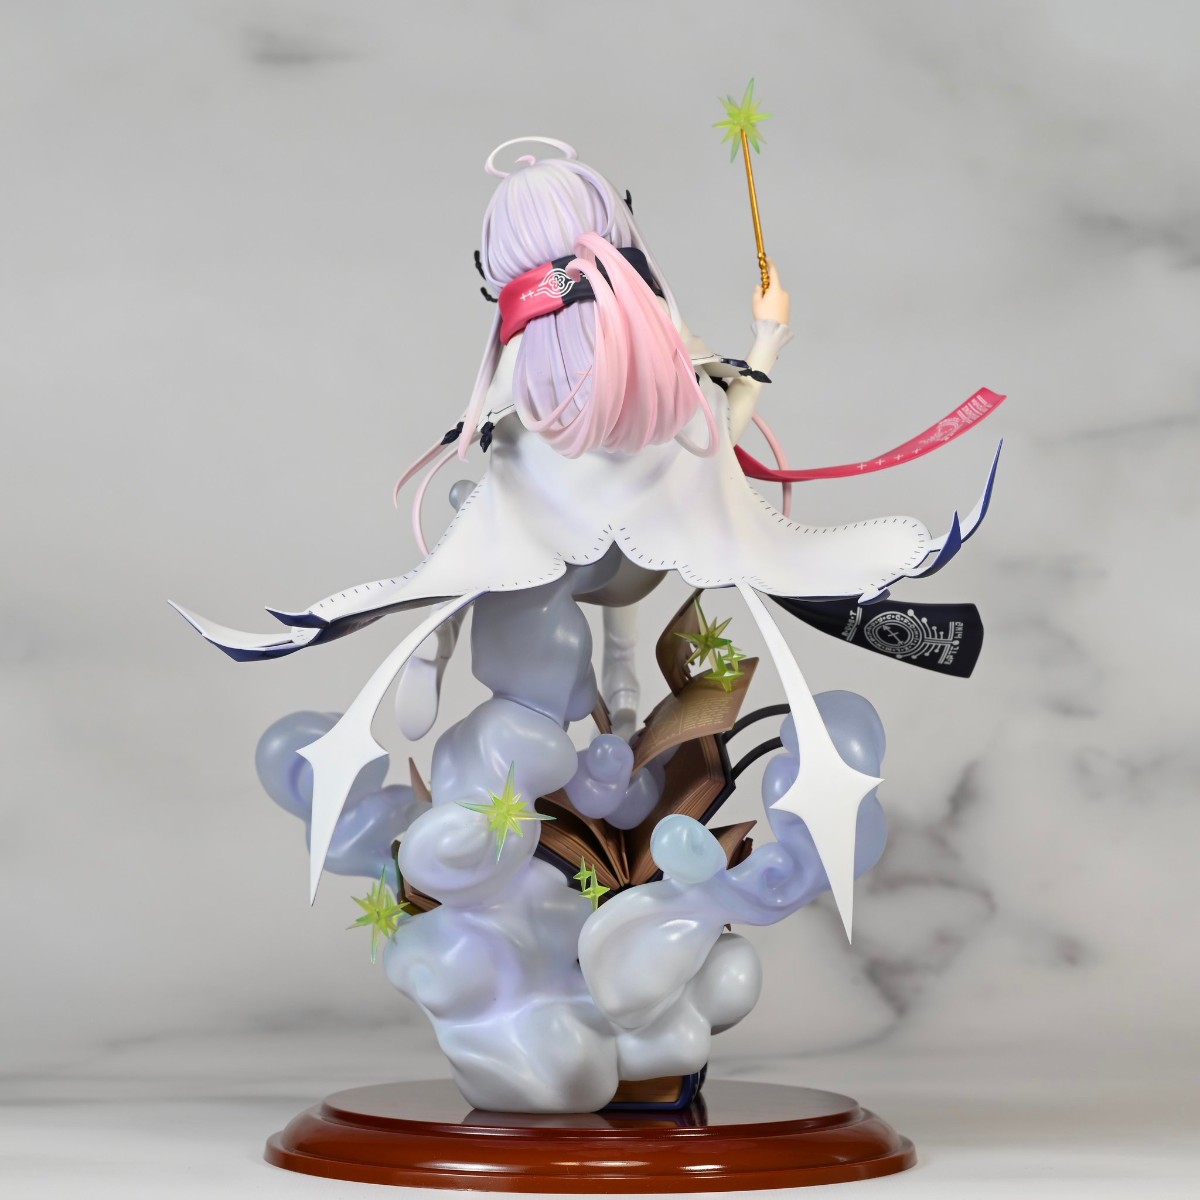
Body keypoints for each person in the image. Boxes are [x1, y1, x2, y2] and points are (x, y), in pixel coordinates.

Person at [172, 137, 998, 935]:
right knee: (531, 600)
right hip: (610, 562)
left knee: (508, 566)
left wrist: (761, 343)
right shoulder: (633, 342)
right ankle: (529, 709)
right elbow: (714, 436)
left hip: (594, 559)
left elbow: (512, 491)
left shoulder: (557, 356)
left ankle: (517, 689)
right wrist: (767, 341)